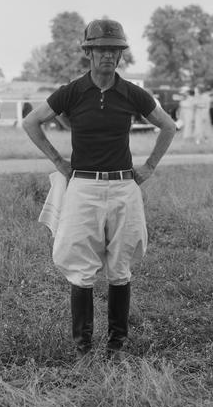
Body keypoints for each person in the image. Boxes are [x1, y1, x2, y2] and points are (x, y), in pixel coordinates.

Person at [23, 19, 176, 362]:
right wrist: (59, 162)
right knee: (80, 268)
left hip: (124, 186)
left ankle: (116, 345)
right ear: (89, 53)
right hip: (83, 187)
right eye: (102, 49)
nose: (109, 55)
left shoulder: (131, 92)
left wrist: (149, 166)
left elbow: (168, 125)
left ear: (121, 54)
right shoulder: (73, 91)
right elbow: (31, 122)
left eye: (115, 50)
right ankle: (83, 348)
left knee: (121, 268)